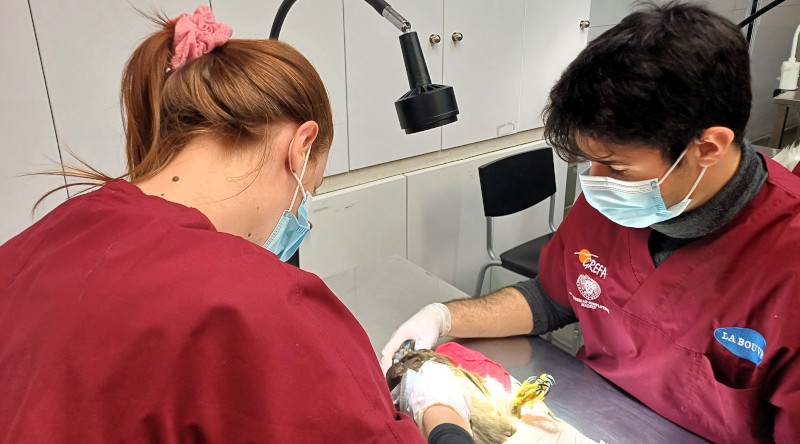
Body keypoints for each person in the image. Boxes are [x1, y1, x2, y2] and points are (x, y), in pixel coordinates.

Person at [0, 7, 475, 443]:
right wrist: (441, 411)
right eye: (310, 189)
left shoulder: (40, 242)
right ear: (300, 146)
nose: (300, 211)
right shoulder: (252, 307)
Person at [381, 3, 800, 443]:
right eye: (591, 163)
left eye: (616, 168)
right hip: (588, 420)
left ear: (708, 147)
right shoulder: (610, 207)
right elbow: (550, 297)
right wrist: (443, 318)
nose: (594, 185)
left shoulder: (784, 263)